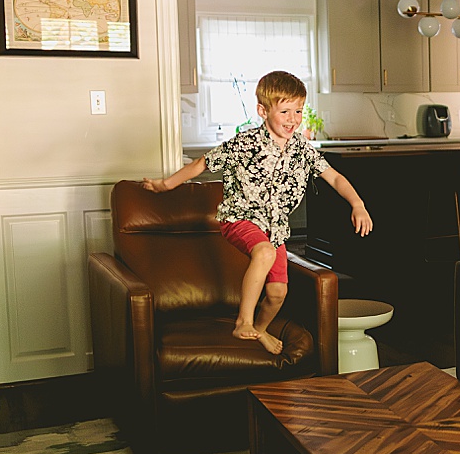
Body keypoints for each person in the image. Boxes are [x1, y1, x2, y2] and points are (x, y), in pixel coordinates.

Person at [142, 70, 372, 355]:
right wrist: (165, 185)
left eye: (298, 111)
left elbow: (335, 177)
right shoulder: (244, 144)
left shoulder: (303, 149)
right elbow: (202, 163)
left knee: (278, 293)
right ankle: (243, 321)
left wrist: (357, 204)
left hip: (275, 228)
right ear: (263, 111)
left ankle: (259, 330)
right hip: (240, 217)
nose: (293, 119)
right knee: (263, 253)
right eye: (285, 111)